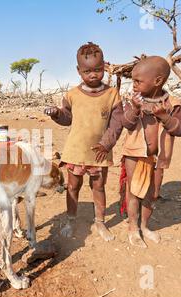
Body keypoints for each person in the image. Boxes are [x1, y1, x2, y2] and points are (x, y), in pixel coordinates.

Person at [93, 56, 181, 248]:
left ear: (157, 81)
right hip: (134, 154)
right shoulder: (134, 101)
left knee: (151, 194)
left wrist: (165, 117)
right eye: (133, 81)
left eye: (138, 81)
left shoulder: (173, 104)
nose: (134, 86)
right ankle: (133, 229)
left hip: (158, 158)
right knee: (134, 191)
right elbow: (127, 124)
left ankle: (145, 226)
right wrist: (135, 109)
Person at [44, 42, 121, 242]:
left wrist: (106, 143)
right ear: (79, 71)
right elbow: (67, 118)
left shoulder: (112, 94)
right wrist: (56, 114)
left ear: (104, 66)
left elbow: (116, 123)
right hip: (76, 151)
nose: (93, 74)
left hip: (100, 152)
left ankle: (100, 222)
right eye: (87, 71)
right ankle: (71, 220)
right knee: (73, 187)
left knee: (99, 187)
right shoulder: (72, 95)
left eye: (97, 69)